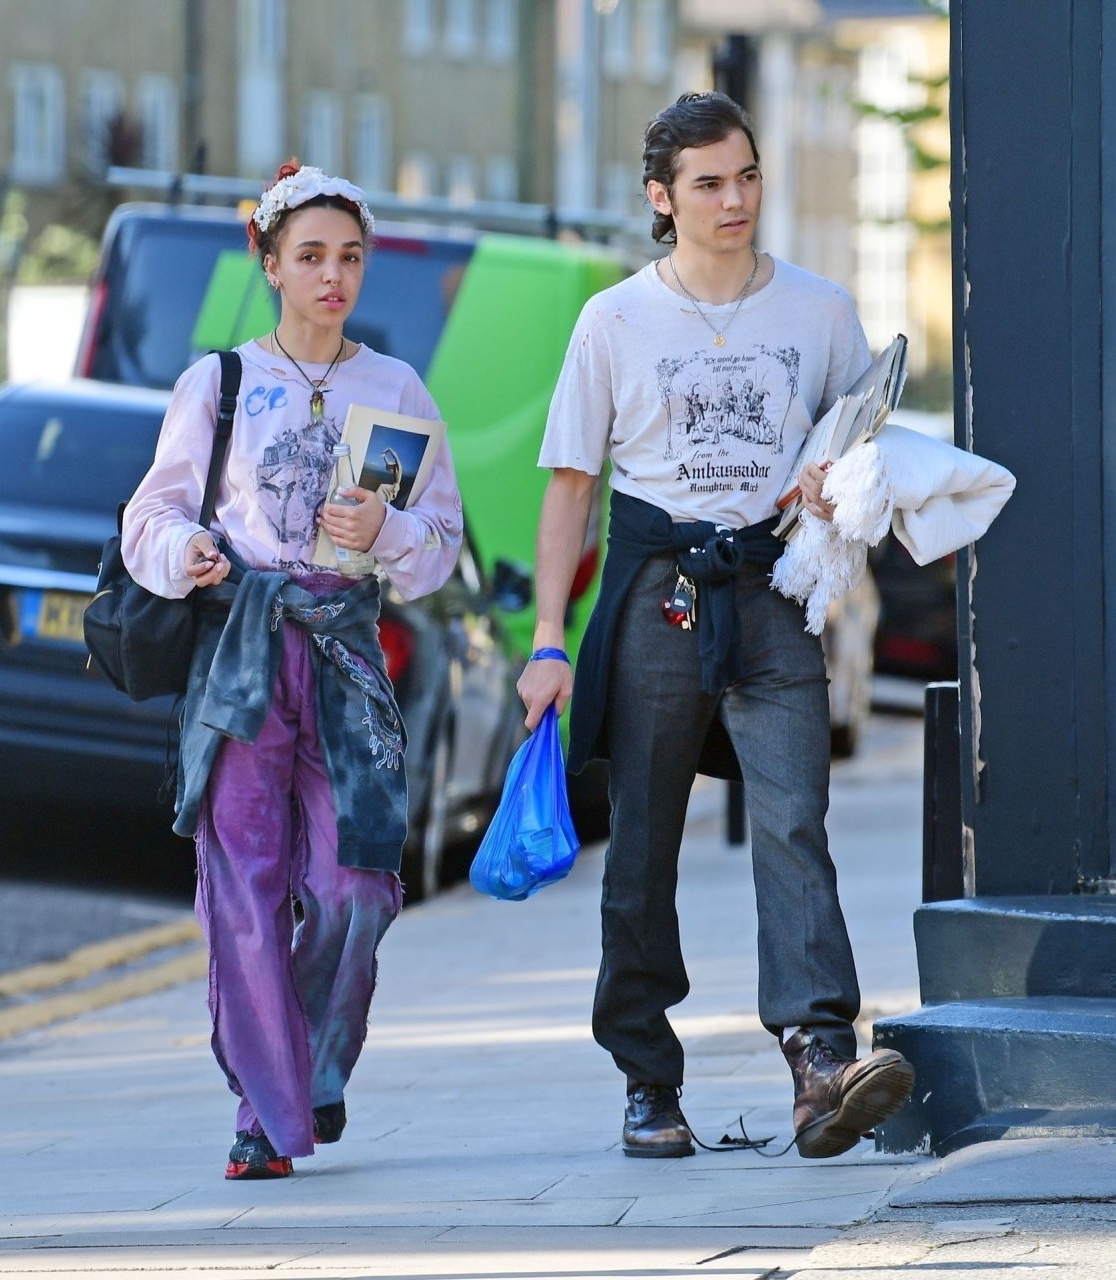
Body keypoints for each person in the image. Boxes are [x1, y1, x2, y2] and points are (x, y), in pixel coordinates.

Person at [517, 92, 915, 1160]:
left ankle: (819, 1058)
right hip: (658, 591)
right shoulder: (612, 320)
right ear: (661, 198)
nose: (734, 199)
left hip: (772, 586)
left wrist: (839, 483)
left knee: (794, 819)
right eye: (707, 184)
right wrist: (549, 640)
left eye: (745, 177)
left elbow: (865, 445)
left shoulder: (820, 310)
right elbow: (570, 485)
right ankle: (647, 1077)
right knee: (643, 840)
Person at [121, 161, 463, 1180]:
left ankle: (308, 1065)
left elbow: (439, 550)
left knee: (356, 888)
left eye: (349, 257)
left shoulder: (395, 389)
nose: (332, 276)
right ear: (269, 263)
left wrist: (387, 528)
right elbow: (149, 515)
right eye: (310, 256)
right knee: (245, 885)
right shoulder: (218, 382)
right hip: (241, 652)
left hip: (347, 655)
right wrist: (184, 549)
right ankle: (264, 1113)